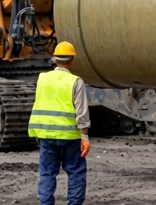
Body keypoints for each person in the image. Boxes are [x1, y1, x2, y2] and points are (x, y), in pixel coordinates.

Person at [29, 41, 91, 205]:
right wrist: (85, 137)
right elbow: (82, 113)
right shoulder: (76, 81)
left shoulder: (42, 78)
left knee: (47, 173)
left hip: (46, 135)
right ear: (72, 61)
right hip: (70, 137)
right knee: (76, 172)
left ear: (55, 59)